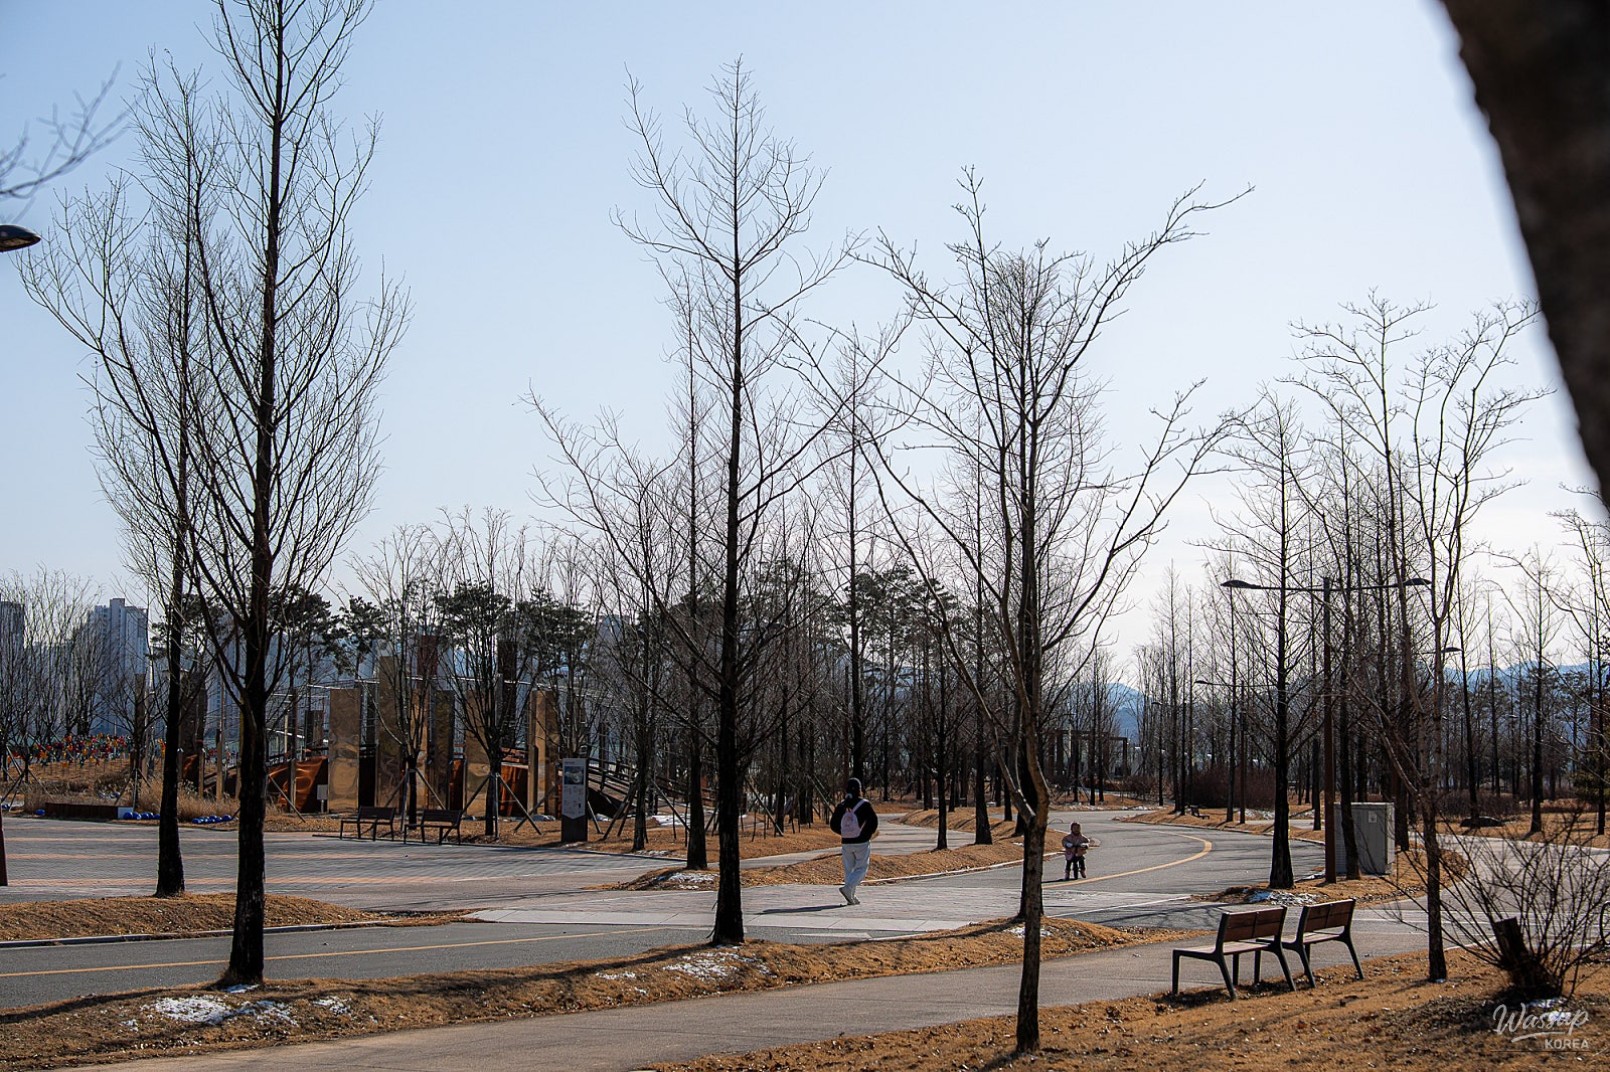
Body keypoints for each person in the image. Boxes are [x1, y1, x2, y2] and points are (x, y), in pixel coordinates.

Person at [830, 777, 878, 904]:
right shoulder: (865, 805)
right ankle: (848, 889)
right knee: (862, 868)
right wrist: (866, 834)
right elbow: (873, 822)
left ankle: (850, 896)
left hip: (846, 842)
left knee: (849, 869)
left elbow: (833, 824)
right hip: (862, 842)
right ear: (859, 790)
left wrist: (844, 833)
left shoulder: (841, 805)